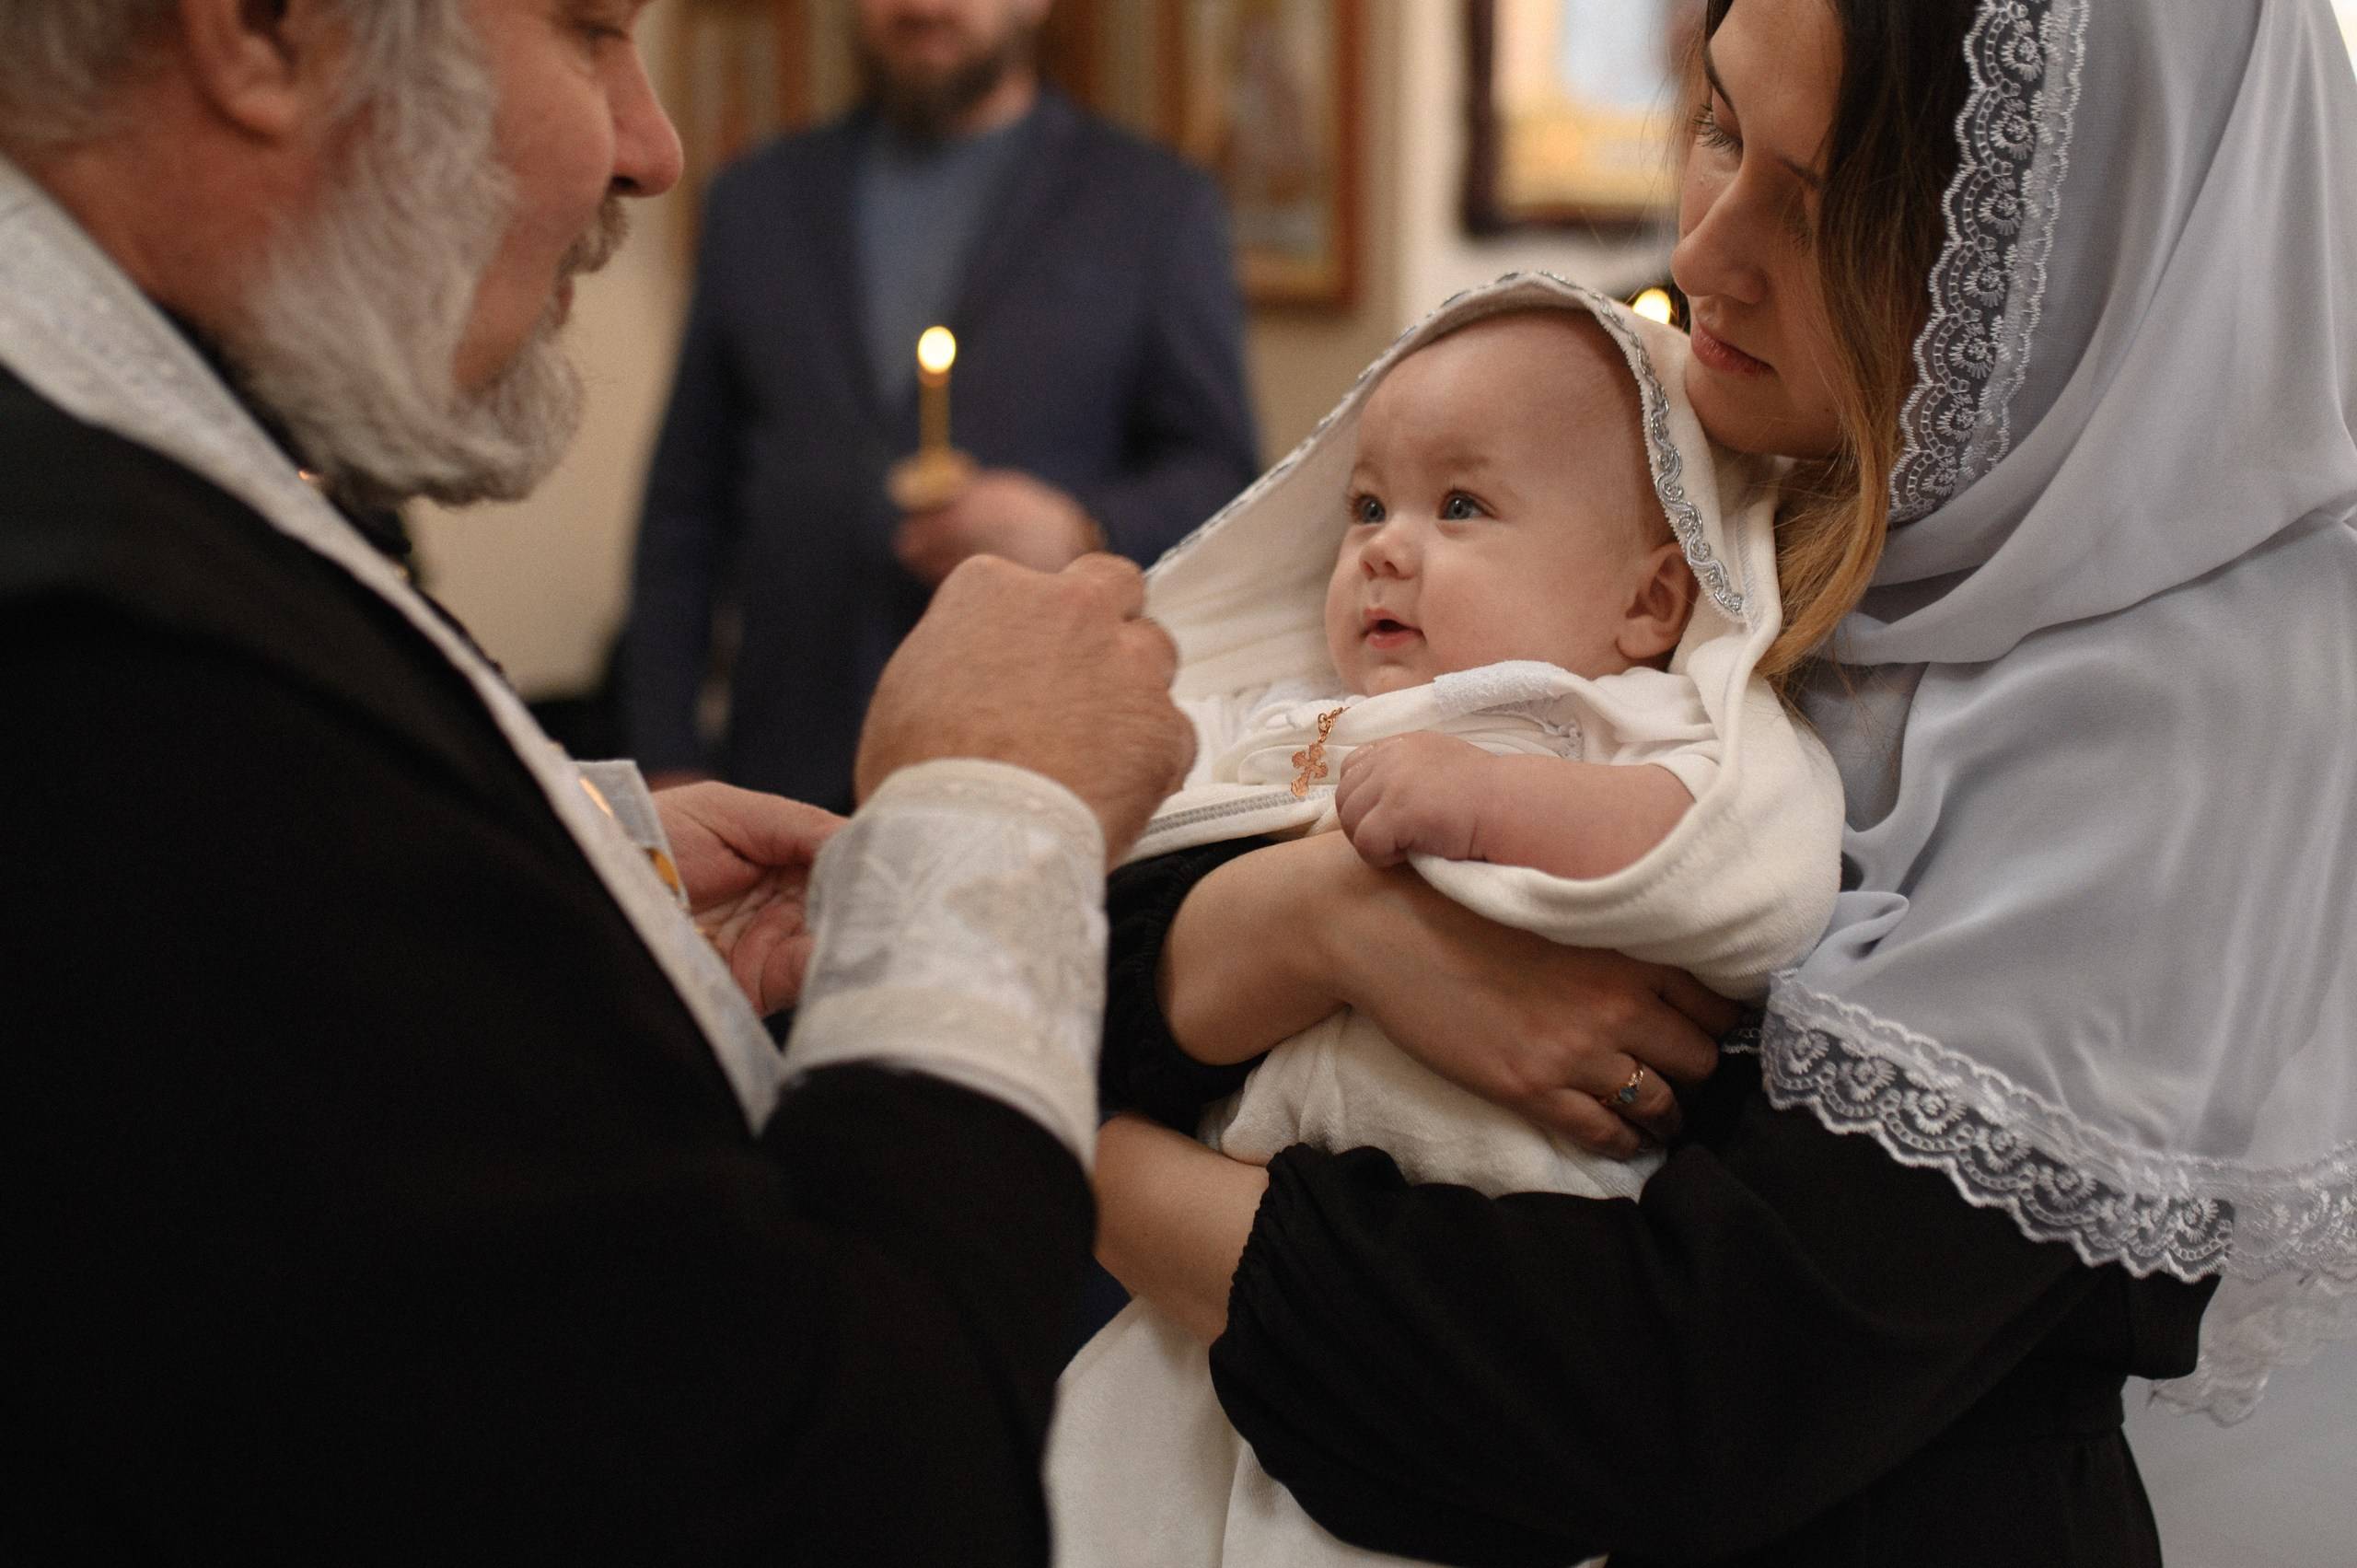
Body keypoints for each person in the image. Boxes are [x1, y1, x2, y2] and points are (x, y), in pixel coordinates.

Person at [1085, 0, 2357, 1564]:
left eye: (1819, 209)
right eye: (1719, 128)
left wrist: (1075, 1159)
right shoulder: (1736, 459)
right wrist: (1328, 922)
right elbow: (1187, 860)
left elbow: (1683, 1390)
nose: (1702, 254)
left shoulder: (2195, 693)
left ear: (2060, 247)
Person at [0, 2, 1195, 1562]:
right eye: (588, 31)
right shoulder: (112, 660)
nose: (651, 145)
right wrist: (991, 812)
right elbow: (849, 1494)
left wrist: (569, 881)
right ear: (268, 29)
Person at [1046, 285, 1844, 1566]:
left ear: (1649, 601)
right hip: (1235, 1247)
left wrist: (1501, 801)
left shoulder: (1630, 722)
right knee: (1098, 1469)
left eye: (1460, 505)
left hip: (1480, 1260)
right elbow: (1150, 892)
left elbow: (1761, 870)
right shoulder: (1300, 722)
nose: (1384, 548)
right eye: (1368, 506)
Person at [621, 0, 1261, 808]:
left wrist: (1080, 528)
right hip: (784, 769)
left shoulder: (1154, 205)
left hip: (1032, 770)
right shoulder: (758, 198)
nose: (923, 5)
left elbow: (1222, 474)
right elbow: (684, 509)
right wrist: (663, 757)